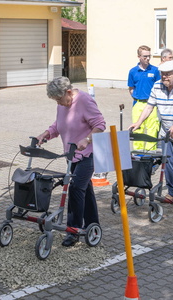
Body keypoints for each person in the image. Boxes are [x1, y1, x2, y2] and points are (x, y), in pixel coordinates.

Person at [36, 76, 106, 247]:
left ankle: (73, 231)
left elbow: (100, 124)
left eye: (60, 99)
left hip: (87, 154)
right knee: (84, 190)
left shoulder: (84, 100)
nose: (59, 104)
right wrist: (46, 133)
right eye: (56, 101)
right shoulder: (62, 105)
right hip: (71, 155)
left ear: (69, 92)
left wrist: (87, 140)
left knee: (75, 189)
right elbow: (60, 124)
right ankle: (92, 226)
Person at [129, 60, 173, 202]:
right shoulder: (157, 85)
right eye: (162, 74)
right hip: (167, 130)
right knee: (168, 162)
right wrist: (138, 122)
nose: (164, 77)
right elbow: (149, 107)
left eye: (168, 75)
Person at [128, 45, 161, 151]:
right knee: (137, 129)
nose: (147, 58)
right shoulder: (133, 71)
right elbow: (131, 88)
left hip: (152, 104)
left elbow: (159, 87)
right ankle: (138, 153)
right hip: (138, 104)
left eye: (149, 56)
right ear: (139, 56)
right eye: (145, 56)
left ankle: (150, 153)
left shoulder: (155, 70)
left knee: (152, 128)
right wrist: (137, 97)